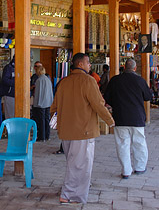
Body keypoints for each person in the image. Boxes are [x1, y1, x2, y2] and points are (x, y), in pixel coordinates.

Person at [50, 53, 114, 204]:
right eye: (88, 63)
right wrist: (110, 121)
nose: (90, 65)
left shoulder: (63, 82)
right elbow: (98, 104)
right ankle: (69, 195)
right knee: (80, 165)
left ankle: (72, 191)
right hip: (83, 130)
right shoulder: (88, 81)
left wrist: (60, 123)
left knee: (74, 163)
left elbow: (54, 107)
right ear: (80, 64)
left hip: (66, 131)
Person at [104, 59, 152, 179]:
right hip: (137, 117)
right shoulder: (140, 80)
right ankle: (140, 167)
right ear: (135, 68)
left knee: (122, 144)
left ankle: (126, 170)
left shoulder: (115, 80)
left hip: (120, 117)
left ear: (124, 67)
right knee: (139, 143)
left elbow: (107, 98)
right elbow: (148, 96)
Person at [32, 65, 54, 142]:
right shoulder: (47, 79)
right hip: (48, 102)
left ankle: (42, 136)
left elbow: (38, 93)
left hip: (41, 103)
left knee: (41, 120)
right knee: (46, 119)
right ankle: (47, 135)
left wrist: (36, 103)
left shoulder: (39, 80)